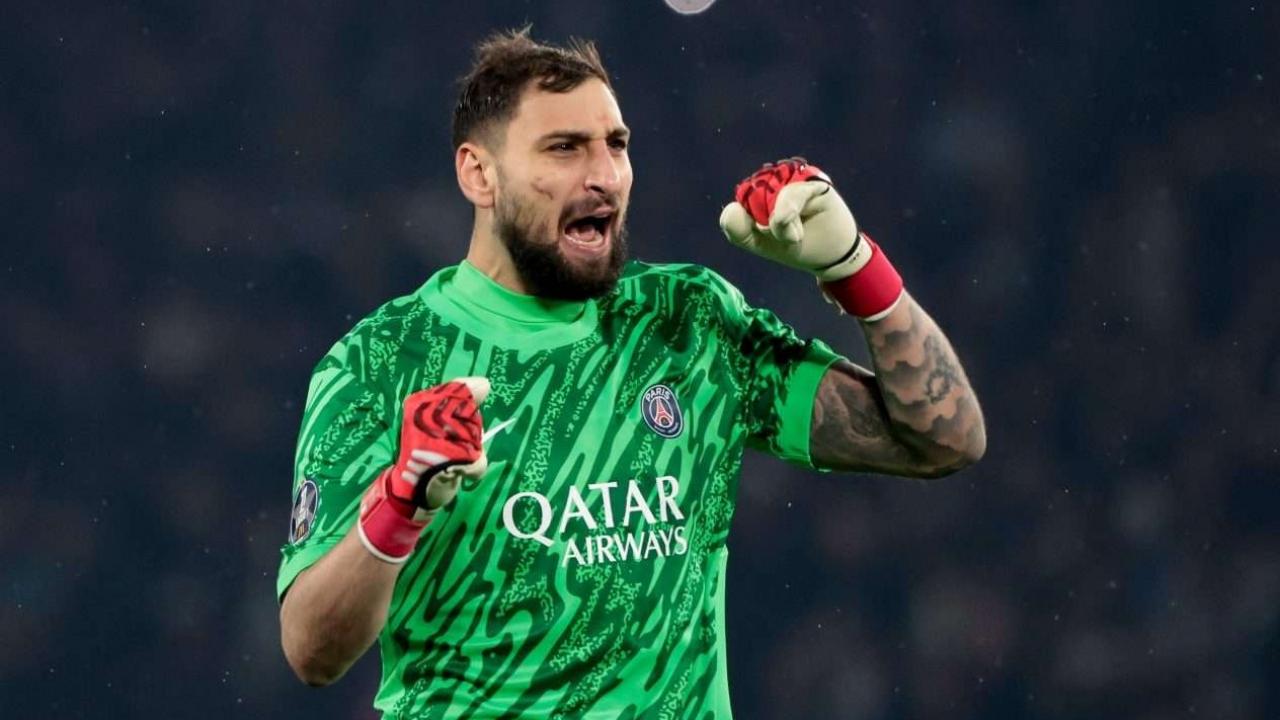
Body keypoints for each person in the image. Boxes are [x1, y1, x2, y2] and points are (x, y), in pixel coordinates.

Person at [277, 27, 986, 719]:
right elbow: (312, 652)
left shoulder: (688, 324)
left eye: (616, 145)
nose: (604, 176)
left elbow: (944, 440)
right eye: (564, 148)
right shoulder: (382, 361)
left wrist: (854, 268)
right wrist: (400, 503)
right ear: (479, 174)